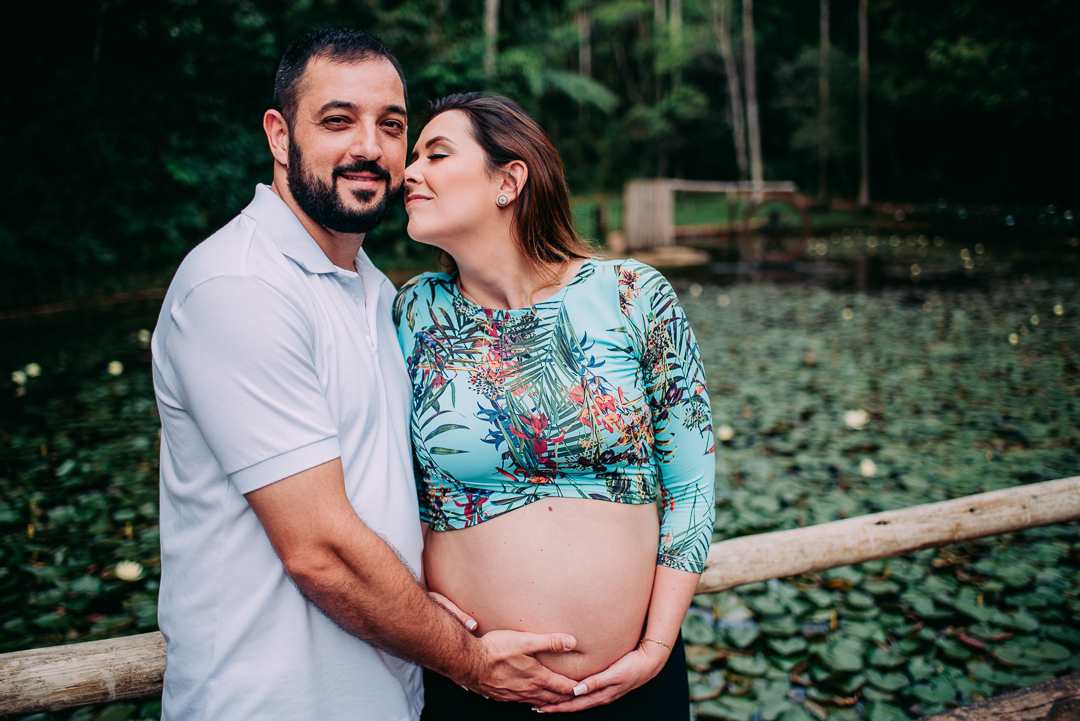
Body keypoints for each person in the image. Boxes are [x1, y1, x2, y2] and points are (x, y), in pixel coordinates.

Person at [151, 31, 582, 721]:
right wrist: (471, 661)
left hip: (387, 698)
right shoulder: (239, 283)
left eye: (391, 125)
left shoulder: (379, 294)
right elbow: (321, 552)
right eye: (337, 120)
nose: (369, 147)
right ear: (279, 135)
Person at [393, 93, 716, 718]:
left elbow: (691, 484)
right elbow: (378, 482)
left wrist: (654, 646)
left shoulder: (632, 295)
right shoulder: (410, 314)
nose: (408, 171)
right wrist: (421, 610)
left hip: (637, 686)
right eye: (412, 159)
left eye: (435, 153)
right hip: (477, 686)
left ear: (509, 180)